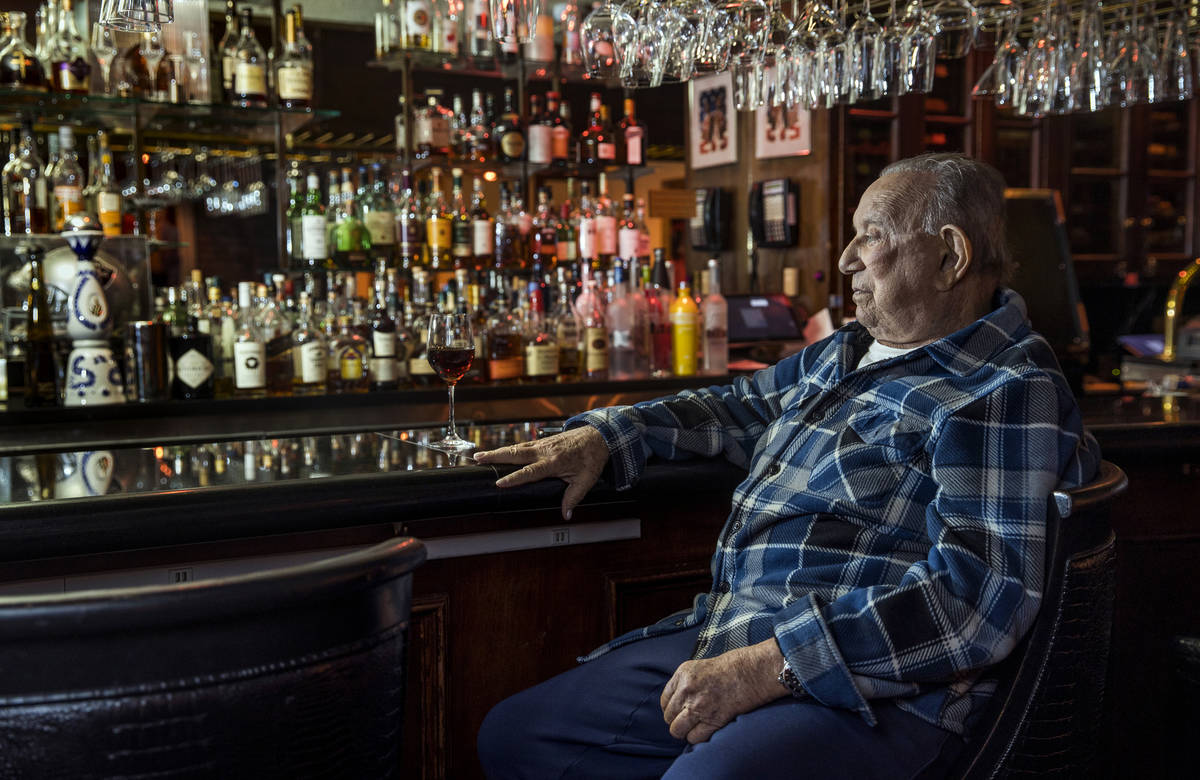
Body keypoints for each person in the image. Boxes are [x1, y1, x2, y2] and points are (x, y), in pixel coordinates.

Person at [473, 153, 1101, 779]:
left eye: (872, 236)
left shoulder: (1001, 388)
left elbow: (978, 600)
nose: (848, 258)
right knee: (518, 738)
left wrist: (771, 666)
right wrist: (609, 434)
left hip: (878, 689)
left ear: (950, 256)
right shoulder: (849, 350)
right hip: (738, 628)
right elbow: (740, 408)